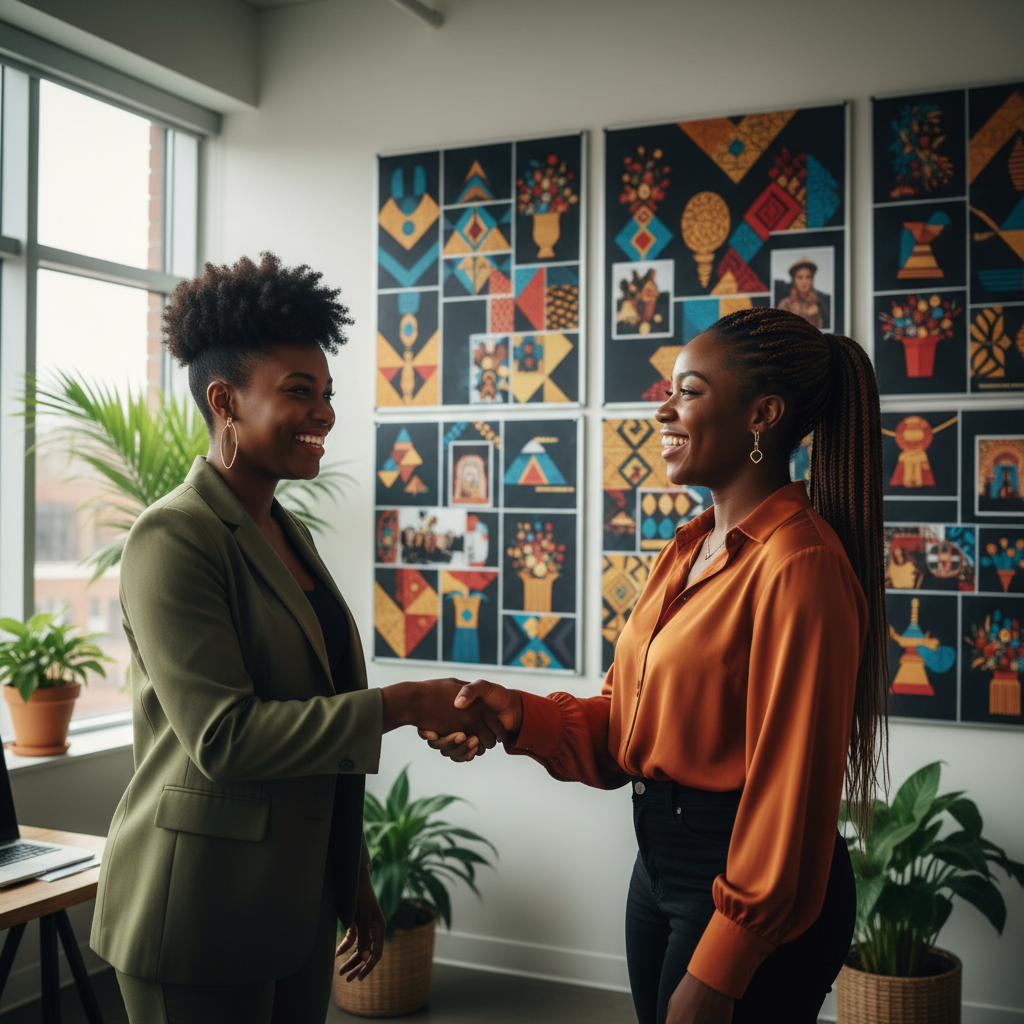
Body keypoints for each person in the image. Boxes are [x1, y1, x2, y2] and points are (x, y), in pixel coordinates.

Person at [422, 306, 890, 1024]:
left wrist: (726, 962)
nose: (663, 408)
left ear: (762, 414)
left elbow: (789, 795)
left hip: (747, 890)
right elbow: (627, 727)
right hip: (660, 870)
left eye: (690, 390)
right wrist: (517, 714)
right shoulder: (688, 548)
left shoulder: (801, 564)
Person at [90, 254, 502, 1024]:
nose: (325, 413)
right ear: (226, 402)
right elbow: (226, 737)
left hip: (296, 901)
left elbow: (318, 706)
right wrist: (408, 703)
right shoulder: (172, 537)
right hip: (199, 909)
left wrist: (349, 880)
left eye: (327, 394)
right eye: (298, 393)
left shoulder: (287, 530)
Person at [776, 258, 830, 329]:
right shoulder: (785, 305)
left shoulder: (822, 304)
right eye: (800, 277)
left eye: (808, 277)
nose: (804, 281)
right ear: (793, 280)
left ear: (812, 279)